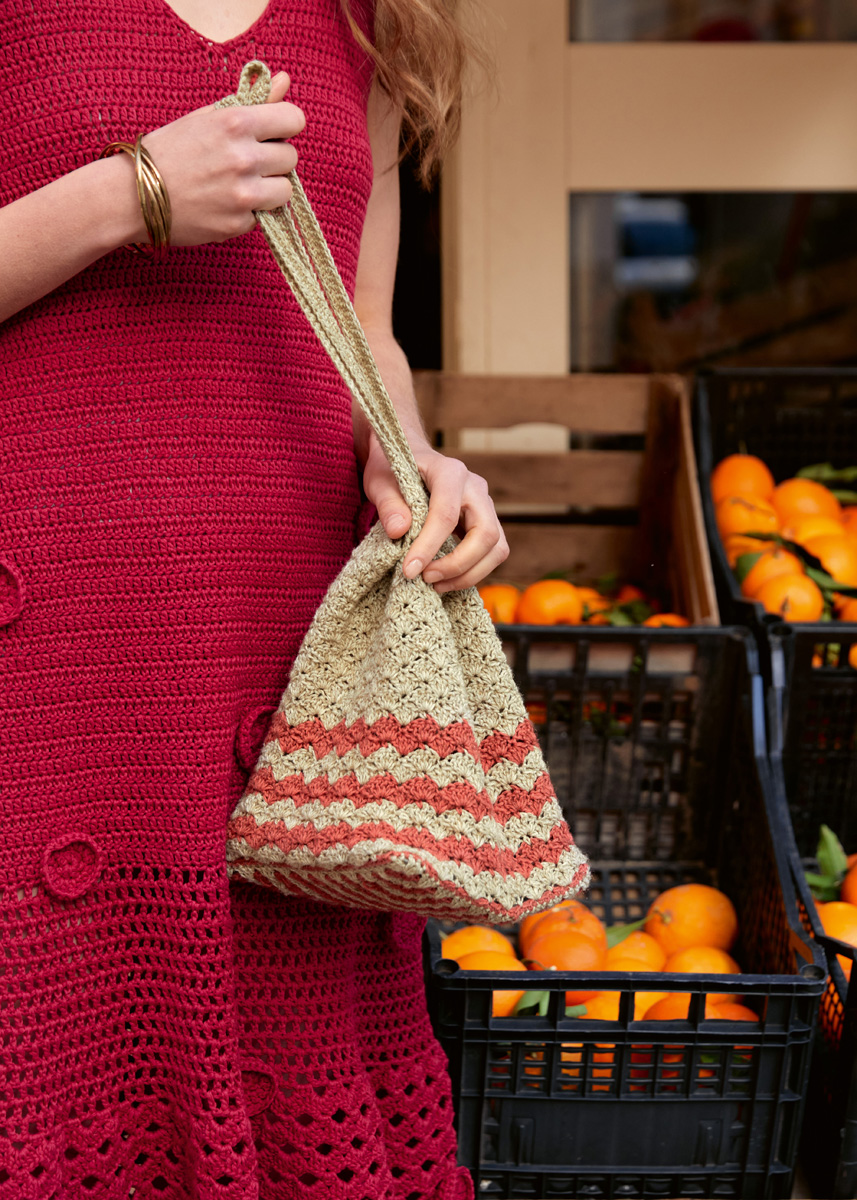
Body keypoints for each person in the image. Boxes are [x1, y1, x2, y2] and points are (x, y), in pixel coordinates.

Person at [0, 0, 506, 1194]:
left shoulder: (369, 17)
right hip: (52, 650)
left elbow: (365, 326)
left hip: (285, 658)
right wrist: (130, 192)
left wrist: (408, 454)